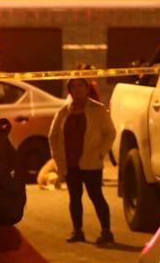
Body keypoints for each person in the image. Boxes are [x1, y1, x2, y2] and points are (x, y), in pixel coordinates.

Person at [48, 77, 116, 245]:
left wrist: (101, 152)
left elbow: (110, 132)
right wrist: (58, 159)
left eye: (80, 86)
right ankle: (77, 230)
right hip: (71, 162)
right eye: (73, 86)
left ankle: (106, 231)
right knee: (75, 198)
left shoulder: (98, 109)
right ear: (69, 90)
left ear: (87, 89)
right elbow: (53, 136)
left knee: (96, 196)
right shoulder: (63, 112)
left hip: (91, 162)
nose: (77, 89)